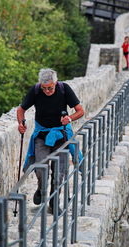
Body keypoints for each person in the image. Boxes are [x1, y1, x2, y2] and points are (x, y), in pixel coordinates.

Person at [17, 68, 84, 214]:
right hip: (41, 136)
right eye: (44, 88)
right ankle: (41, 189)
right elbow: (21, 110)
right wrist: (21, 124)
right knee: (41, 168)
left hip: (61, 136)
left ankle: (53, 204)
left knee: (59, 172)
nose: (47, 91)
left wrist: (69, 119)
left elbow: (80, 110)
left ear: (56, 82)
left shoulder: (64, 89)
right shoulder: (35, 91)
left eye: (50, 88)